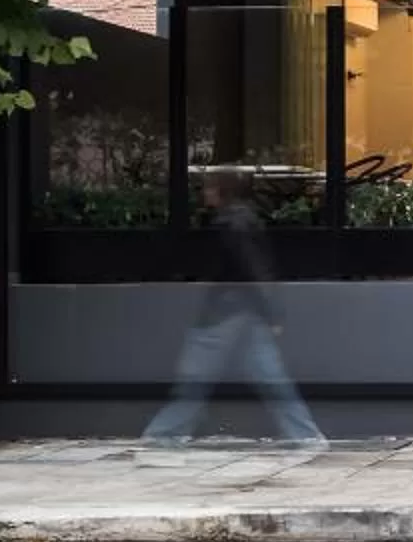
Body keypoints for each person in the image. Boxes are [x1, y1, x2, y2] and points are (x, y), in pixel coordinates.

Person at [140, 170, 326, 449]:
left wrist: (270, 310)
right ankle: (305, 435)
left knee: (194, 380)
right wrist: (270, 311)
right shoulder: (245, 218)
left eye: (210, 187)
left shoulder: (231, 223)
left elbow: (252, 268)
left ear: (223, 191)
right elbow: (259, 269)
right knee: (271, 379)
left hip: (225, 314)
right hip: (246, 312)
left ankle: (163, 434)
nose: (205, 192)